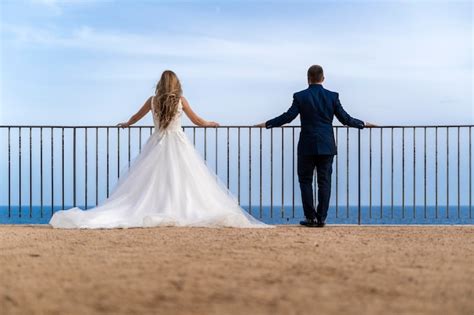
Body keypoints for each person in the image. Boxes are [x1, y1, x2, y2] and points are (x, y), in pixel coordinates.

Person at [49, 70, 270, 229]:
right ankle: (175, 208)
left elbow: (134, 118)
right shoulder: (180, 100)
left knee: (151, 181)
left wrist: (126, 124)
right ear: (176, 84)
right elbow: (197, 121)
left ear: (160, 84)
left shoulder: (153, 100)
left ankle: (157, 208)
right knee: (183, 181)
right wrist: (210, 123)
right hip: (178, 143)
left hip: (157, 143)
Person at [255, 65, 376, 227]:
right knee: (324, 182)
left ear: (308, 78)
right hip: (327, 146)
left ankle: (310, 218)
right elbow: (345, 119)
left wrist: (267, 124)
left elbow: (288, 117)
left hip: (307, 145)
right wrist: (363, 124)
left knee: (305, 181)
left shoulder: (300, 96)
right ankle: (321, 219)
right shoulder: (332, 96)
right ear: (323, 78)